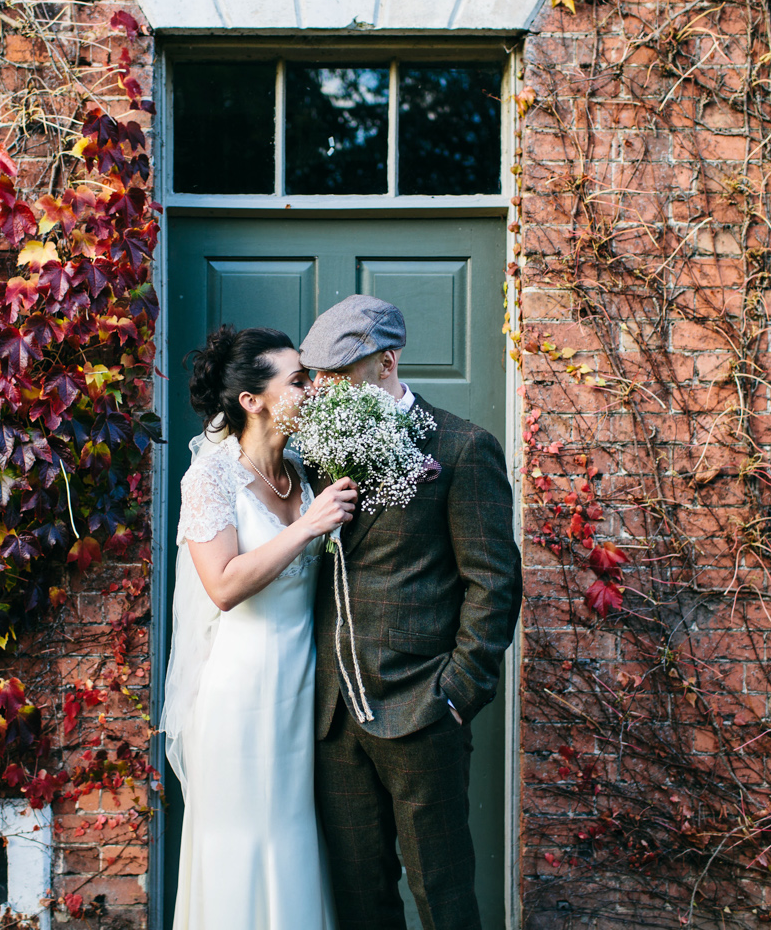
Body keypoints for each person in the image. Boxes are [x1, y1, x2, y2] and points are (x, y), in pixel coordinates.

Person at [300, 295, 522, 930]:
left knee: (443, 894)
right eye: (319, 378)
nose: (325, 391)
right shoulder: (315, 452)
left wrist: (457, 693)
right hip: (334, 717)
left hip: (423, 708)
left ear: (387, 362)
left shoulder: (461, 448)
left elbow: (495, 582)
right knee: (360, 895)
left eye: (339, 376)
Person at [163, 324, 358, 930]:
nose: (314, 390)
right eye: (299, 381)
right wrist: (306, 527)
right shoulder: (211, 477)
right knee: (242, 842)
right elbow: (221, 585)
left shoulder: (304, 469)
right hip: (239, 693)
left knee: (295, 835)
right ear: (252, 400)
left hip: (306, 687)